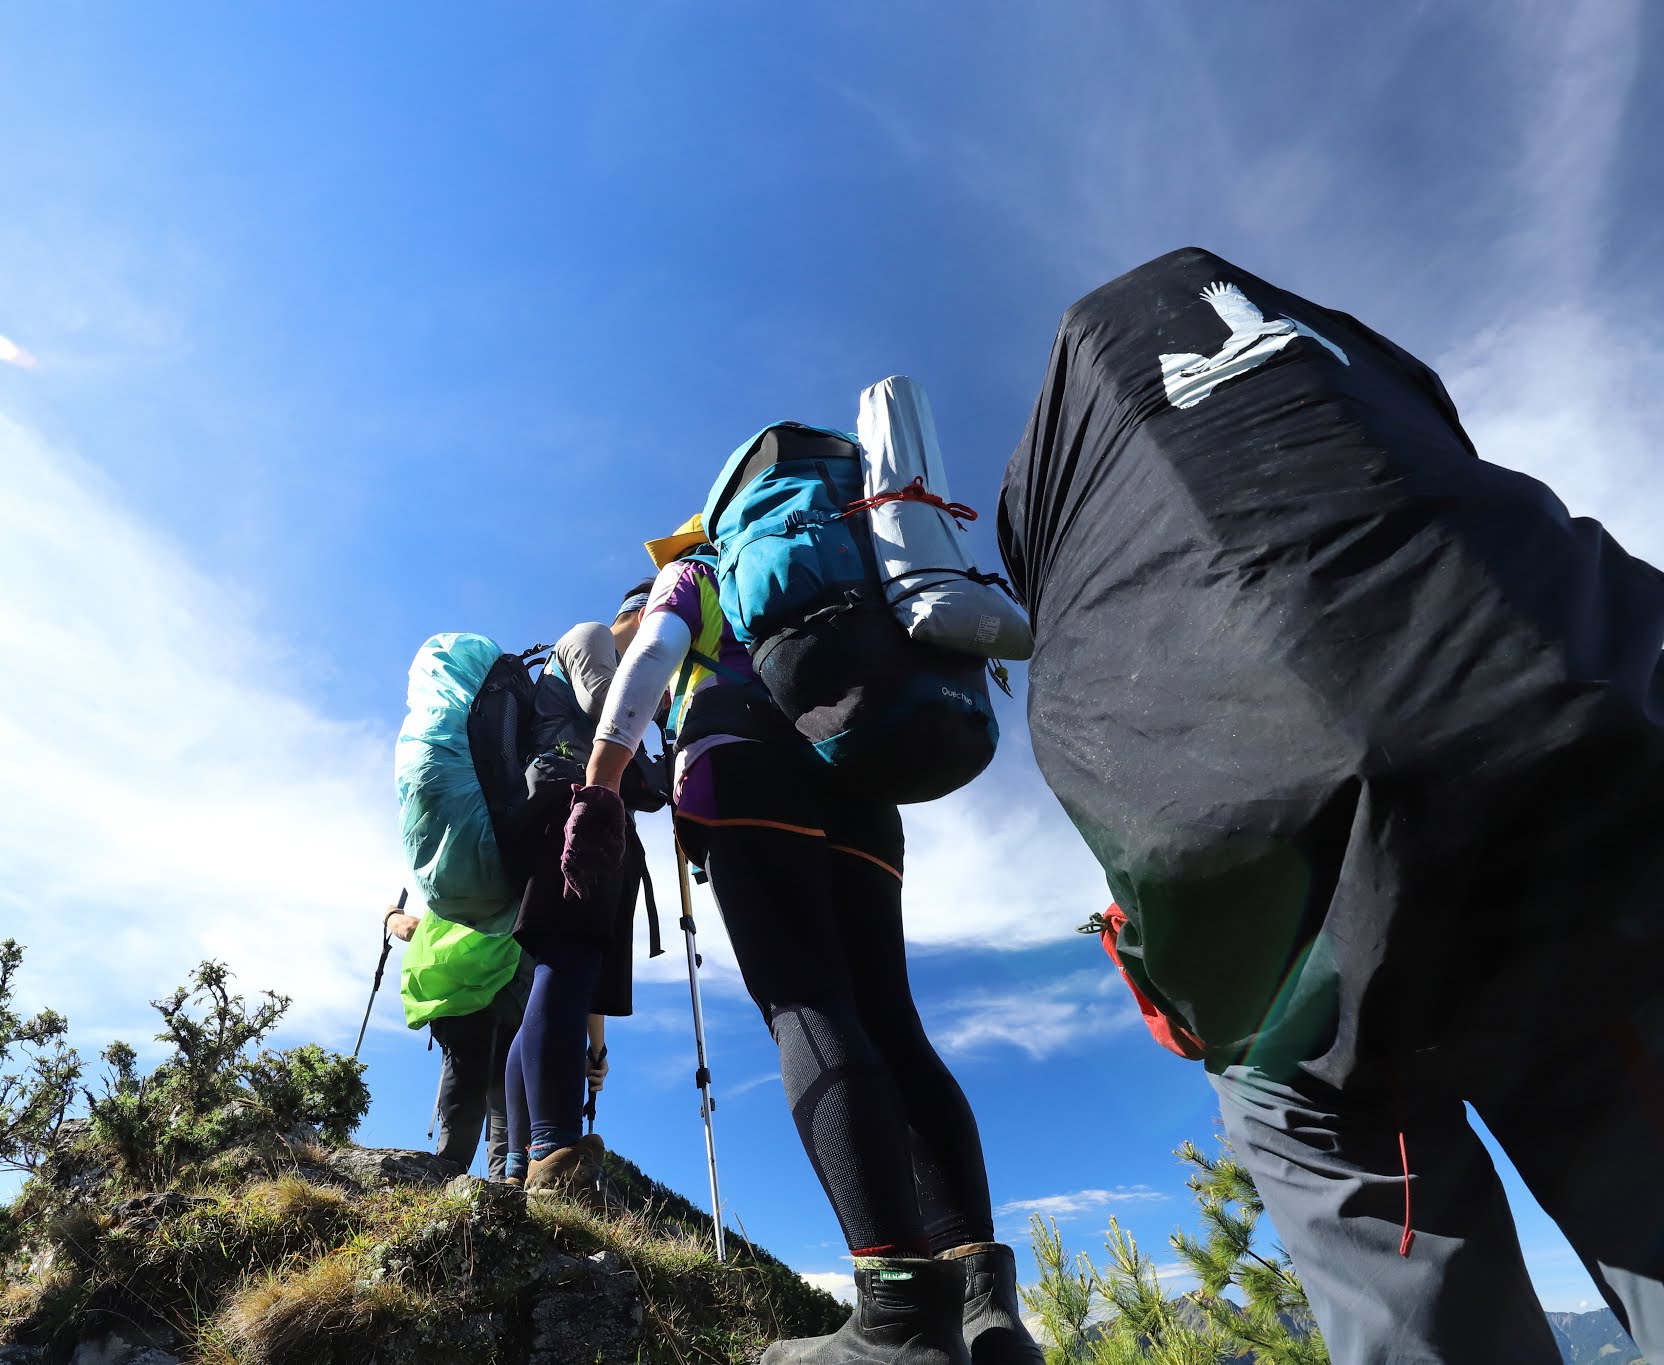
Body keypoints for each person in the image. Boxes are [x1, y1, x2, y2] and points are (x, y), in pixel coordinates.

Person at [998, 248, 1664, 1363]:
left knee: (1325, 1136)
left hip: (1290, 929)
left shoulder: (1057, 510)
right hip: (1560, 766)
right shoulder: (1352, 368)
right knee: (1611, 1085)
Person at [567, 518, 1040, 1365]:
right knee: (892, 1020)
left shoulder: (700, 574)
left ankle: (897, 1317)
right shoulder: (835, 589)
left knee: (805, 999)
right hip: (858, 773)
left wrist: (601, 782)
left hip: (744, 768)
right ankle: (982, 1308)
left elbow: (650, 655)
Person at [500, 584, 663, 1197]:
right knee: (568, 962)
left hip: (569, 815)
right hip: (577, 815)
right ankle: (554, 1145)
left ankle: (522, 1162)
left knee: (562, 970)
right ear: (642, 615)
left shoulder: (577, 655)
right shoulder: (592, 636)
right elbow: (611, 716)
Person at [388, 900, 525, 1180]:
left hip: (465, 1016)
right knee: (507, 1115)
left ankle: (448, 1185)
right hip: (516, 1014)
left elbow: (412, 928)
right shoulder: (525, 900)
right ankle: (507, 1194)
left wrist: (391, 915)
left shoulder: (455, 901)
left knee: (461, 1112)